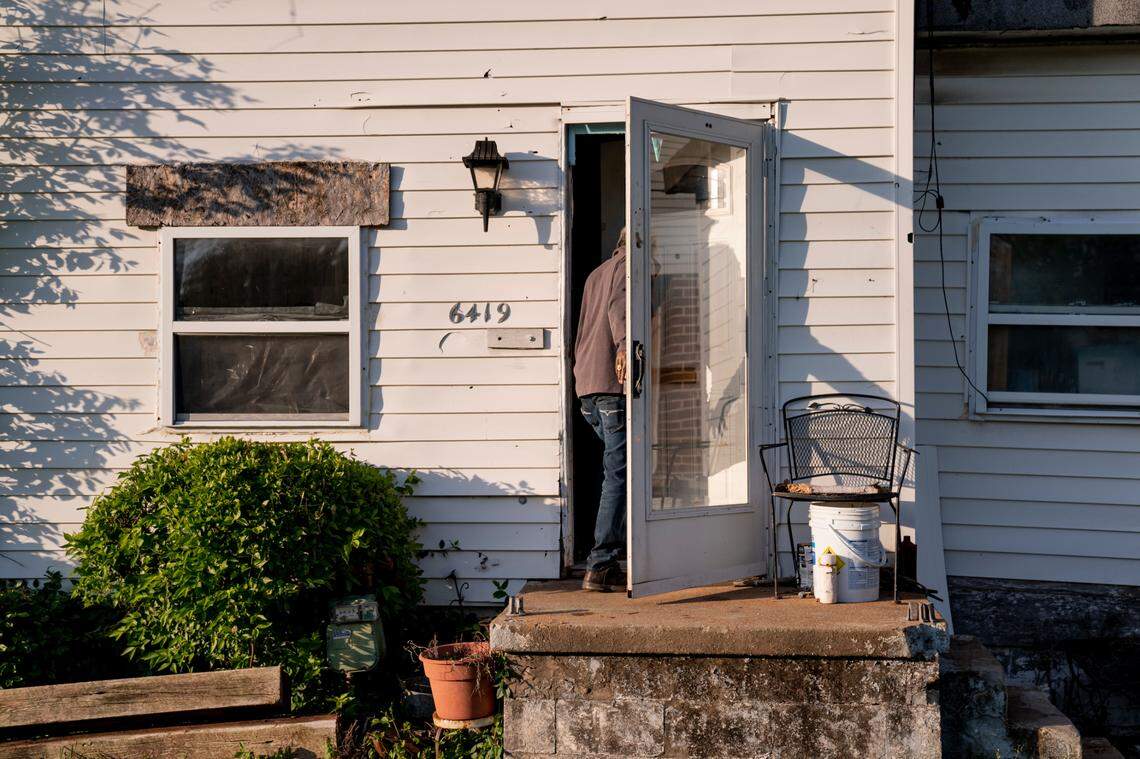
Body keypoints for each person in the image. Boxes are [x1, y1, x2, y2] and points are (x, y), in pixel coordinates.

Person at [572, 229, 628, 592]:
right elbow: (619, 310)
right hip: (611, 385)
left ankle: (616, 556)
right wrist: (625, 347)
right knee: (618, 475)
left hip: (587, 387)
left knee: (618, 471)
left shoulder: (596, 272)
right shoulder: (628, 266)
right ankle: (600, 563)